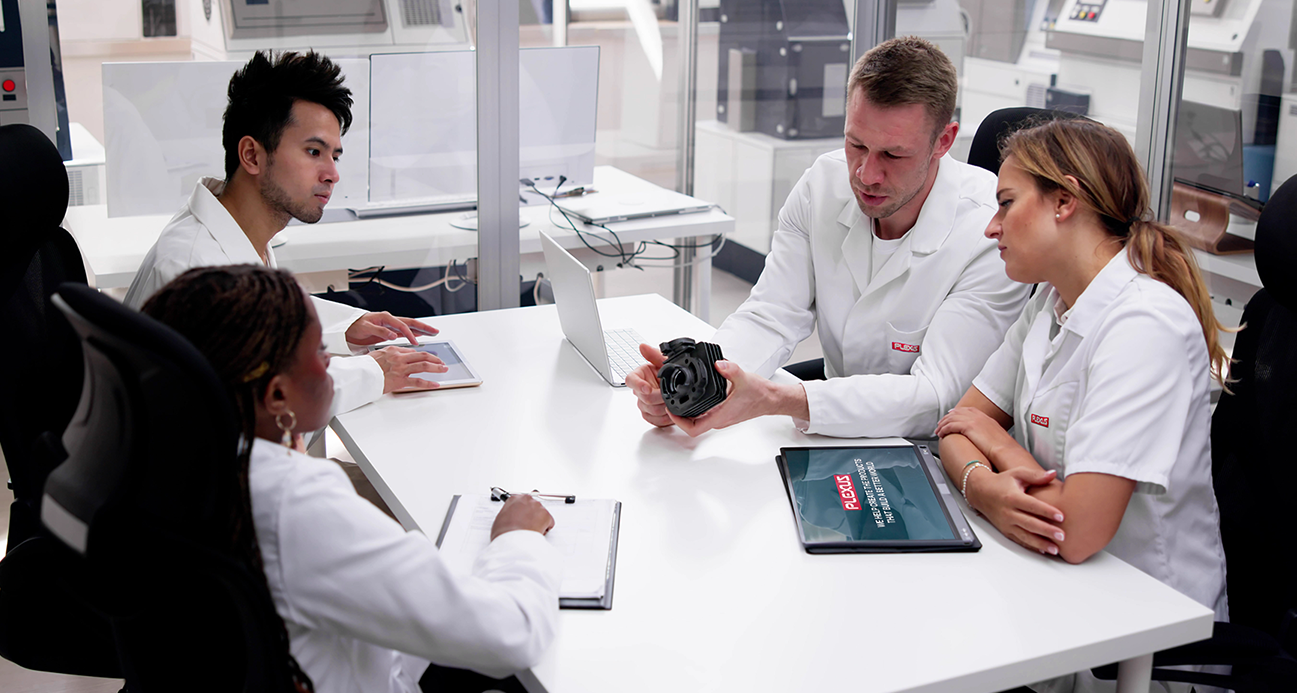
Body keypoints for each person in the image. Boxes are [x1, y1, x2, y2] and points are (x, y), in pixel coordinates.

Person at [141, 264, 561, 693]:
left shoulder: (169, 458)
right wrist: (517, 536)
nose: (332, 368)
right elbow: (513, 634)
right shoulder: (294, 504)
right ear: (277, 396)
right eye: (323, 358)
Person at [934, 118, 1228, 693]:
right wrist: (981, 484)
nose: (992, 227)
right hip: (1060, 600)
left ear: (1064, 202)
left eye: (1006, 203)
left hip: (1142, 645)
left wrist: (995, 449)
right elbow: (954, 425)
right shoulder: (1050, 302)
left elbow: (1078, 531)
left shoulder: (1145, 326)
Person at [627, 37, 1030, 438]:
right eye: (856, 144)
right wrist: (704, 385)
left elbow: (937, 396)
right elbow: (771, 315)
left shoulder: (989, 231)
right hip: (832, 427)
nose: (866, 174)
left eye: (892, 155)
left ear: (943, 141)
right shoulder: (823, 184)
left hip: (929, 448)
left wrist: (781, 399)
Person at [124, 49, 444, 415]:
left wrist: (349, 326)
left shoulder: (233, 232)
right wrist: (377, 370)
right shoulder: (195, 270)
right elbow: (274, 397)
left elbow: (262, 330)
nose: (332, 174)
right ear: (252, 155)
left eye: (334, 156)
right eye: (313, 151)